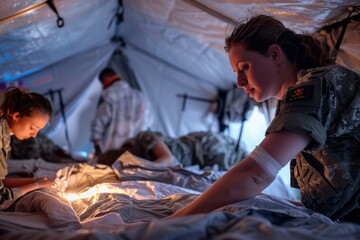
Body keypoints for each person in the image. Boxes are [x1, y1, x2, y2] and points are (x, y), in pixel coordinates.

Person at [168, 14, 360, 223]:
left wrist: (174, 221)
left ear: (275, 55)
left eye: (244, 67)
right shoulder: (299, 95)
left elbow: (256, 173)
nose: (239, 82)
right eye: (236, 72)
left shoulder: (313, 88)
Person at [0, 86, 54, 205]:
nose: (34, 135)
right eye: (32, 128)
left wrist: (34, 180)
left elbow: (1, 181)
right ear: (16, 116)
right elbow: (1, 197)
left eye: (38, 130)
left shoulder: (5, 134)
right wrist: (37, 185)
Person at [96, 130, 248, 170]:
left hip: (199, 147)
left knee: (241, 159)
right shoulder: (138, 153)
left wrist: (141, 170)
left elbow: (167, 158)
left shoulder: (143, 138)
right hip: (195, 156)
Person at [90, 67, 152, 158]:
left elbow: (98, 125)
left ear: (104, 80)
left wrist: (97, 148)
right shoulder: (141, 96)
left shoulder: (108, 95)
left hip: (112, 155)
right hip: (136, 155)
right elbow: (148, 123)